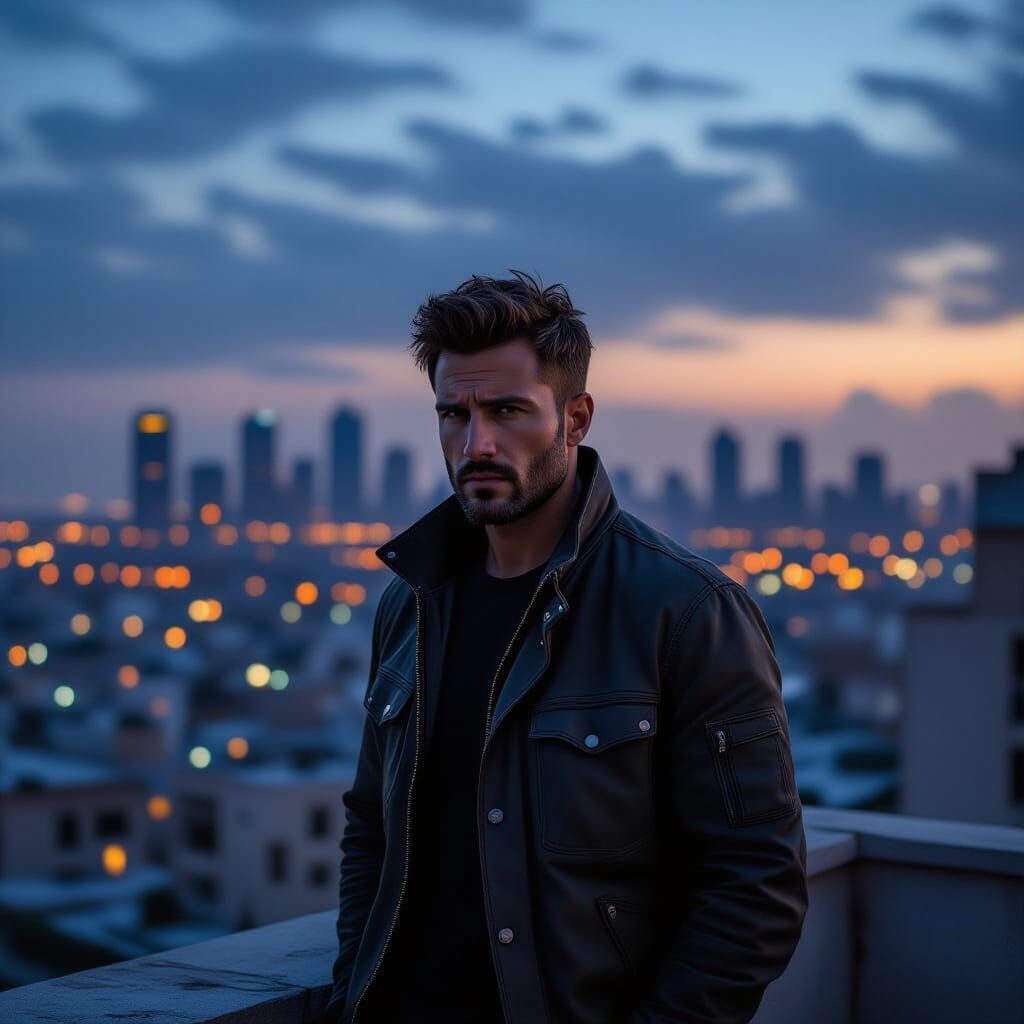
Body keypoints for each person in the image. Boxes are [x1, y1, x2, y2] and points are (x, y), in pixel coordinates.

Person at [320, 270, 807, 1024]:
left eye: (508, 411)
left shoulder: (686, 611)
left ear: (575, 418)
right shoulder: (409, 603)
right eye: (455, 414)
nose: (476, 443)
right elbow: (370, 830)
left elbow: (755, 886)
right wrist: (349, 988)